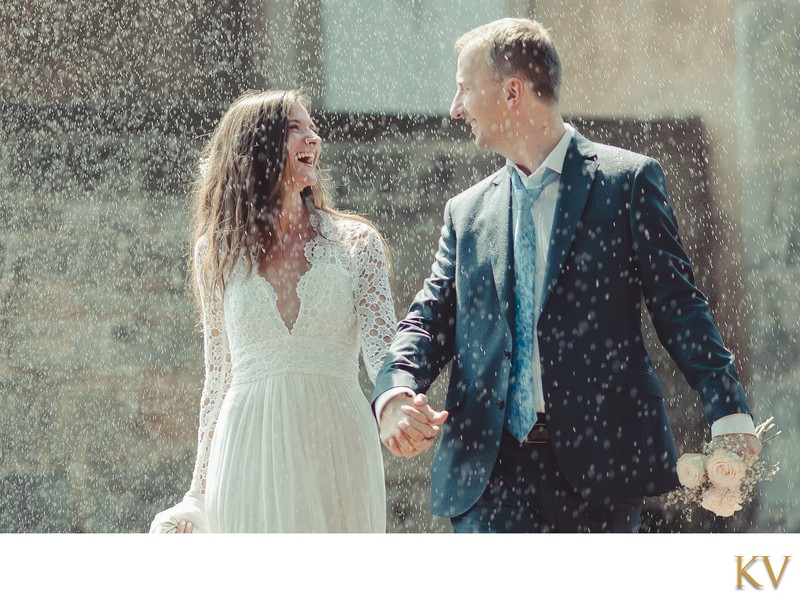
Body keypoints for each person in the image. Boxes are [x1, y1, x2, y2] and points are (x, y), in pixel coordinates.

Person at [372, 18, 762, 533]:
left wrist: (729, 413)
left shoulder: (627, 183)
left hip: (601, 471)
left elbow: (680, 307)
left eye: (465, 88)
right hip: (490, 479)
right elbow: (427, 322)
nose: (455, 107)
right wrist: (397, 392)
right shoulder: (465, 213)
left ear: (513, 92)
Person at [149, 89, 398, 533]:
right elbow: (218, 379)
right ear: (255, 147)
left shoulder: (357, 245)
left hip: (337, 444)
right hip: (248, 448)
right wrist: (196, 496)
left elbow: (387, 360)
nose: (314, 139)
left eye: (314, 128)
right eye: (295, 129)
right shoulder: (217, 254)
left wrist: (400, 407)